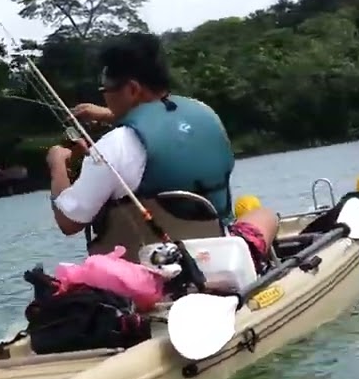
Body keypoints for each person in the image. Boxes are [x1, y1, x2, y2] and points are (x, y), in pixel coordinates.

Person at [44, 32, 278, 272]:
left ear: (132, 89)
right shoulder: (206, 113)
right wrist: (109, 114)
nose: (103, 95)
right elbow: (166, 126)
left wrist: (57, 165)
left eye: (105, 89)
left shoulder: (114, 146)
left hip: (153, 269)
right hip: (219, 255)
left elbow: (69, 221)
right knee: (264, 214)